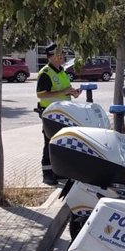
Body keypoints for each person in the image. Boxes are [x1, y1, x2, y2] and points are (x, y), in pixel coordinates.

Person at [36, 43, 81, 185]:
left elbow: (65, 89)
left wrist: (74, 93)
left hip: (64, 113)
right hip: (50, 113)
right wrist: (64, 92)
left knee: (61, 143)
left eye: (62, 54)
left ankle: (59, 172)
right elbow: (40, 94)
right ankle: (47, 174)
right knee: (49, 142)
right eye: (58, 54)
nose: (62, 56)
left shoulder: (62, 71)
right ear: (51, 56)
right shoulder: (45, 73)